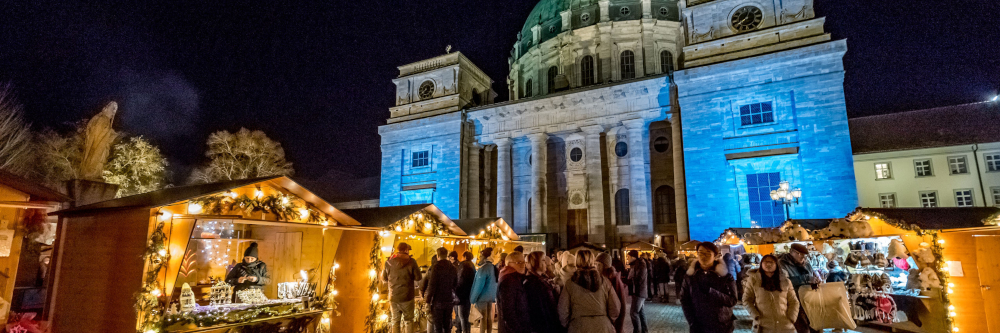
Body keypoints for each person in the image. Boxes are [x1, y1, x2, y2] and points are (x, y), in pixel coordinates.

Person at [680, 242, 738, 333]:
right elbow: (684, 299)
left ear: (715, 256)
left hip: (721, 325)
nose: (704, 256)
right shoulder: (690, 277)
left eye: (708, 253)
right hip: (698, 325)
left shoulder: (725, 277)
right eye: (700, 253)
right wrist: (691, 321)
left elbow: (732, 300)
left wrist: (712, 292)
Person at [558, 250, 621, 333]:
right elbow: (615, 307)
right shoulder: (605, 282)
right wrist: (608, 320)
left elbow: (563, 310)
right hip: (602, 326)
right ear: (593, 261)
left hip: (578, 326)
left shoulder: (570, 284)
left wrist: (569, 324)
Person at [744, 255, 799, 333]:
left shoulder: (785, 281)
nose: (768, 264)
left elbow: (793, 301)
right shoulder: (753, 280)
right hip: (763, 325)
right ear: (761, 263)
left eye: (771, 262)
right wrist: (755, 315)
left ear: (776, 264)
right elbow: (747, 300)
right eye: (765, 262)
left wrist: (791, 317)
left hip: (785, 325)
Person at [380, 242, 422, 333]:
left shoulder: (389, 262)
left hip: (394, 296)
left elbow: (384, 279)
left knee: (395, 321)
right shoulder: (412, 262)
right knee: (408, 321)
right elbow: (418, 277)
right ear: (406, 250)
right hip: (407, 297)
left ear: (398, 250)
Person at [779, 243, 821, 333]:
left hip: (810, 300)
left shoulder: (806, 263)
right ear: (791, 252)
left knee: (816, 326)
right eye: (799, 254)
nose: (802, 256)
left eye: (804, 255)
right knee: (802, 329)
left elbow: (811, 275)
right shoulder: (782, 264)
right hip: (795, 301)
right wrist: (806, 279)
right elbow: (784, 282)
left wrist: (816, 280)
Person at [524, 251, 563, 333]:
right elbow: (539, 309)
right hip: (542, 326)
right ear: (536, 263)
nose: (546, 263)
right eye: (543, 260)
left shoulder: (542, 279)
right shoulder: (532, 283)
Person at [425, 247, 459, 333]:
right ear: (446, 255)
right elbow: (455, 284)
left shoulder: (436, 267)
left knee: (438, 327)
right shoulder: (452, 267)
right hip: (449, 300)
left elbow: (432, 286)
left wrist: (428, 301)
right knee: (447, 326)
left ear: (438, 255)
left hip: (438, 301)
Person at [597, 252, 633, 333]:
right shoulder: (602, 278)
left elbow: (621, 304)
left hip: (613, 320)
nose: (596, 267)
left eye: (598, 264)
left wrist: (618, 325)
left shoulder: (614, 279)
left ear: (604, 265)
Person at [496, 252, 530, 333]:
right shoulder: (509, 281)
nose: (522, 265)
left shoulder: (516, 278)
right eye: (518, 262)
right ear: (508, 264)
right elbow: (508, 312)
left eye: (524, 262)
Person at [469, 248, 498, 333]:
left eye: (481, 256)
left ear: (485, 257)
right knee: (488, 317)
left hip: (482, 297)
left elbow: (478, 285)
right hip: (490, 297)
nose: (479, 258)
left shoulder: (483, 269)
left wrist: (472, 299)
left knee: (483, 318)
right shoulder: (493, 268)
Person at [625, 250, 648, 333]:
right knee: (641, 312)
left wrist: (630, 281)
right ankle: (644, 331)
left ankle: (637, 331)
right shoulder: (636, 264)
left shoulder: (640, 265)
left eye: (628, 257)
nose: (627, 259)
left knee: (633, 313)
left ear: (633, 257)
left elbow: (639, 279)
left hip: (639, 292)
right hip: (638, 291)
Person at [456, 252, 477, 333]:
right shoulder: (472, 265)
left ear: (464, 257)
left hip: (462, 294)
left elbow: (460, 280)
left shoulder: (463, 265)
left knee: (462, 316)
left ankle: (465, 331)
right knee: (467, 316)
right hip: (470, 293)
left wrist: (456, 291)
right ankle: (468, 331)